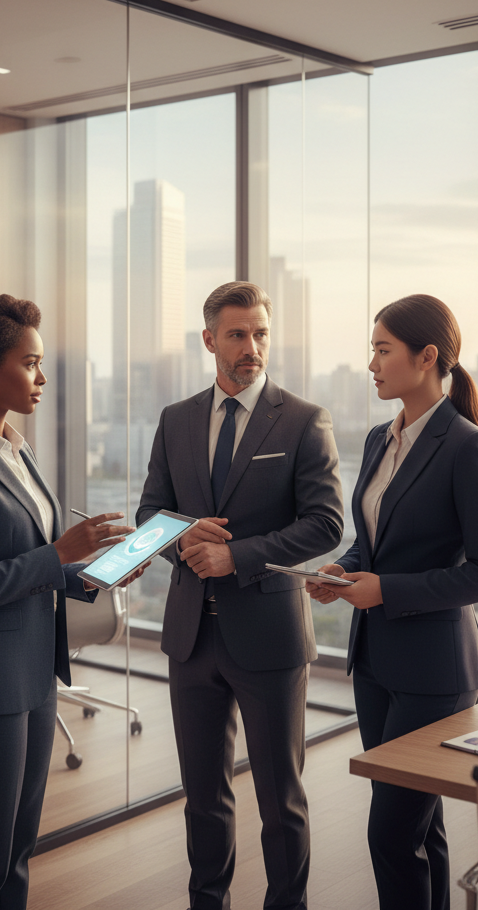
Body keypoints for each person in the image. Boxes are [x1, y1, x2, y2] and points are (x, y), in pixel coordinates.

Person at [0, 294, 134, 910]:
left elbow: (39, 562)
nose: (41, 378)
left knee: (16, 847)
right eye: (30, 363)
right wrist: (58, 556)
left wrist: (93, 573)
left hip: (35, 675)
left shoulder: (17, 449)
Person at [137, 281, 344, 910]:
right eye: (236, 334)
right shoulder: (176, 420)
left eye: (259, 333)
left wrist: (238, 555)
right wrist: (182, 538)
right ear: (209, 340)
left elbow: (328, 523)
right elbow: (151, 515)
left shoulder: (304, 420)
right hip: (191, 636)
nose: (251, 346)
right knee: (203, 799)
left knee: (281, 801)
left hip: (270, 636)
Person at [306, 294, 478, 910]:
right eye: (372, 348)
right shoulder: (379, 438)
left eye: (382, 349)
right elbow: (374, 539)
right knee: (420, 829)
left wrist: (384, 590)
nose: (371, 362)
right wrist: (344, 569)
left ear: (426, 358)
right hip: (374, 662)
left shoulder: (468, 446)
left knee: (390, 835)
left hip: (433, 672)